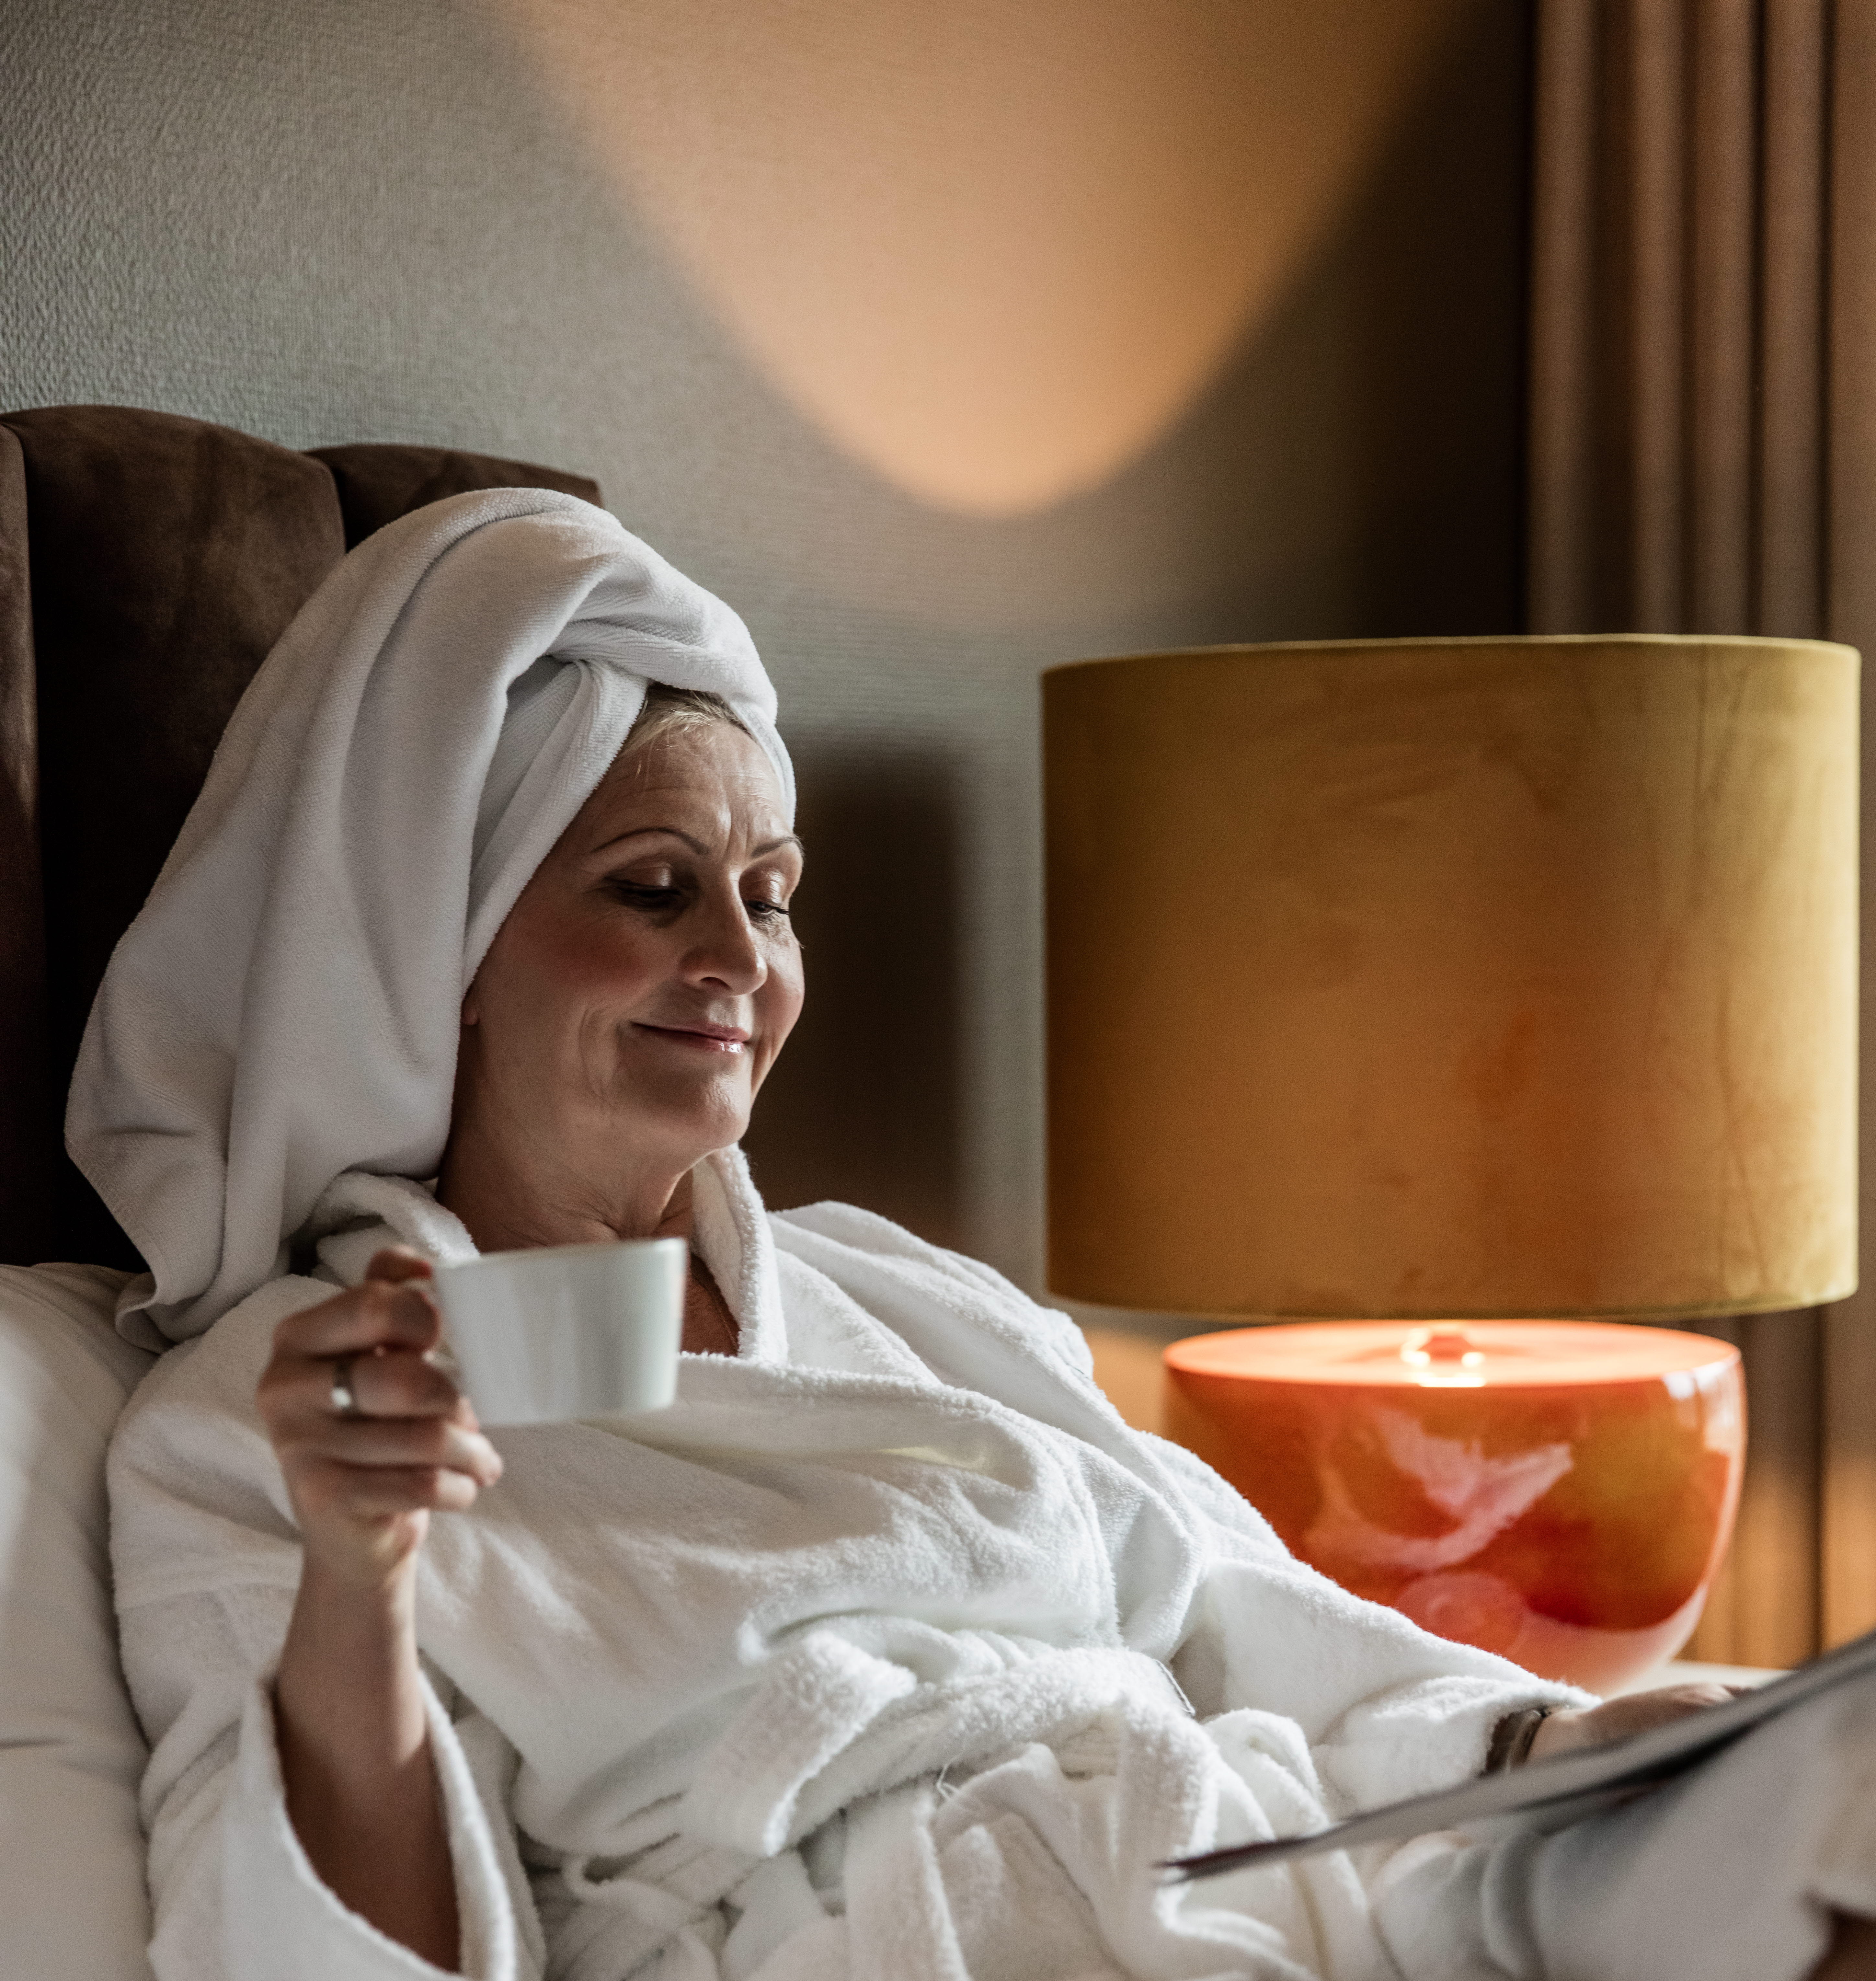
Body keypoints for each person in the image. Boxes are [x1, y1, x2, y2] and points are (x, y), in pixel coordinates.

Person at [90, 491, 1875, 1981]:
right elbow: (328, 1949)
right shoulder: (259, 1420)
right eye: (653, 888)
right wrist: (361, 1575)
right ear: (445, 952)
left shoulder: (900, 1292)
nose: (741, 961)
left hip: (1247, 1871)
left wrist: (1554, 1741)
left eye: (772, 896)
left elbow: (1247, 1610)